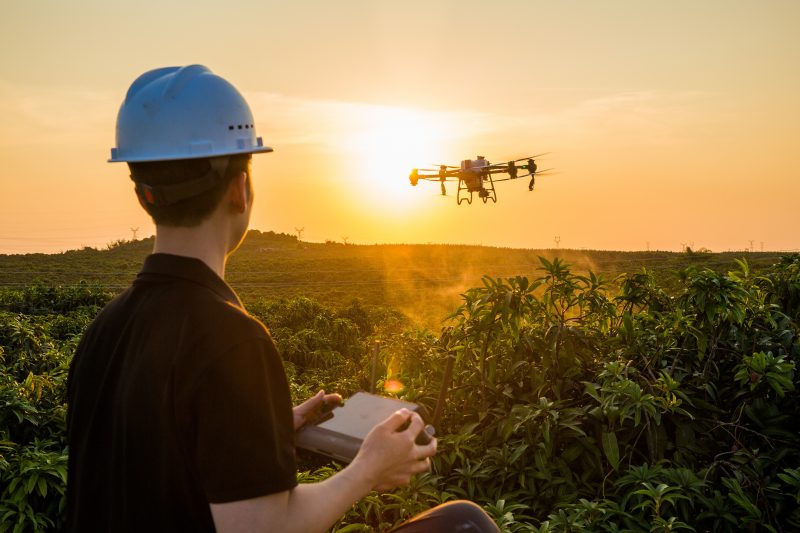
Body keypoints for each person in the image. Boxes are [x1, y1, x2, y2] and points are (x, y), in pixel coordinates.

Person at [66, 65, 499, 533]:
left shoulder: (104, 331)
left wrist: (267, 435)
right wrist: (367, 470)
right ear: (241, 188)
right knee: (464, 523)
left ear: (143, 196)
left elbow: (155, 471)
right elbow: (262, 528)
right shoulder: (232, 338)